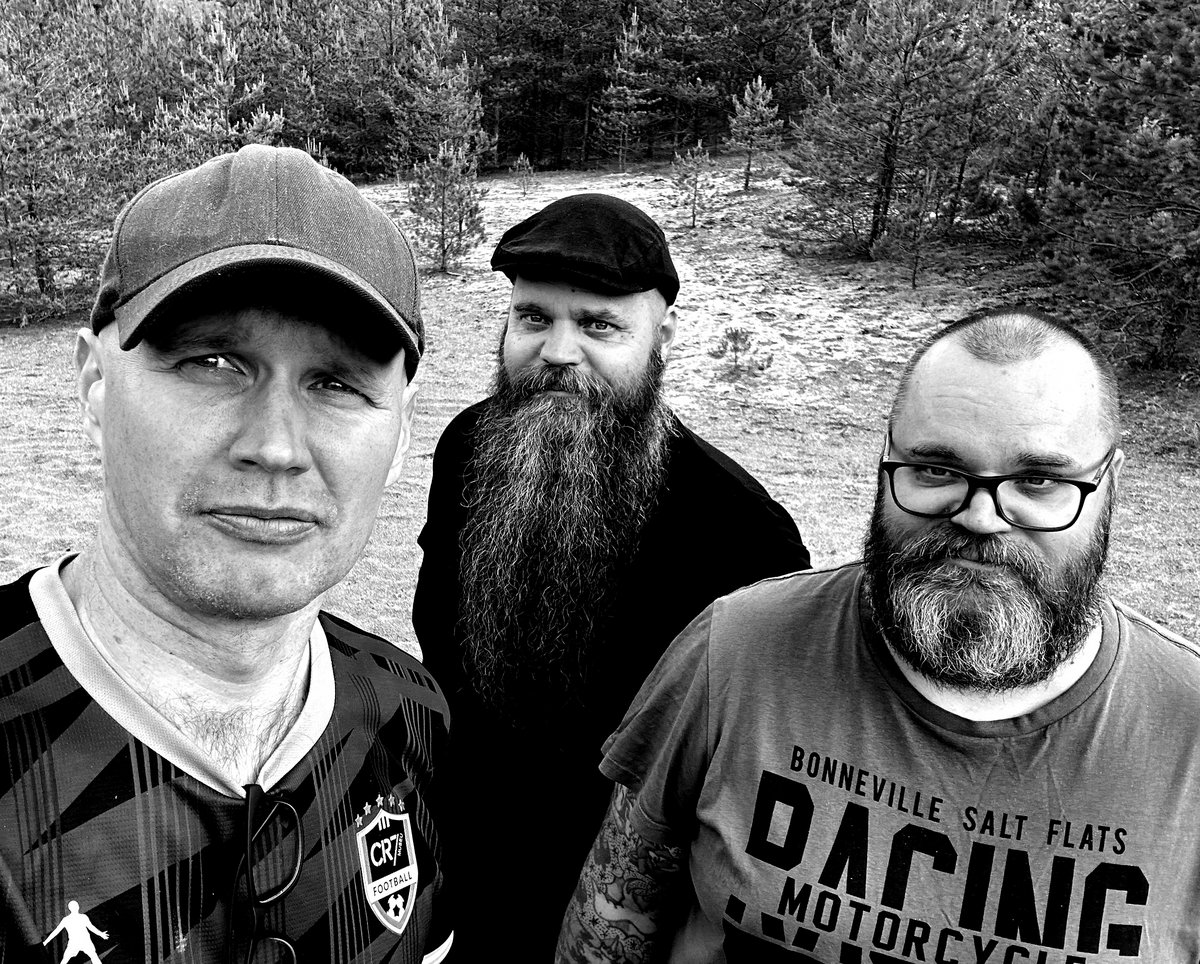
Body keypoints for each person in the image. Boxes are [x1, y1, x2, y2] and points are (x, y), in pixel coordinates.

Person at [558, 307, 1200, 963]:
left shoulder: (1189, 730)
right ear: (886, 461)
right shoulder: (736, 649)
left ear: (1109, 484)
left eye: (1038, 481)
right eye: (936, 470)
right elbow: (613, 917)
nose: (981, 517)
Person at [0, 145, 453, 964]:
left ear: (403, 431)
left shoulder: (411, 712)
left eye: (337, 383)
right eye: (212, 363)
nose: (275, 447)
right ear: (94, 384)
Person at [412, 193, 811, 958]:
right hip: (469, 877)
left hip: (618, 916)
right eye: (534, 317)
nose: (559, 351)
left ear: (663, 339)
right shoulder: (466, 448)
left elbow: (746, 782)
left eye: (598, 325)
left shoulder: (740, 530)